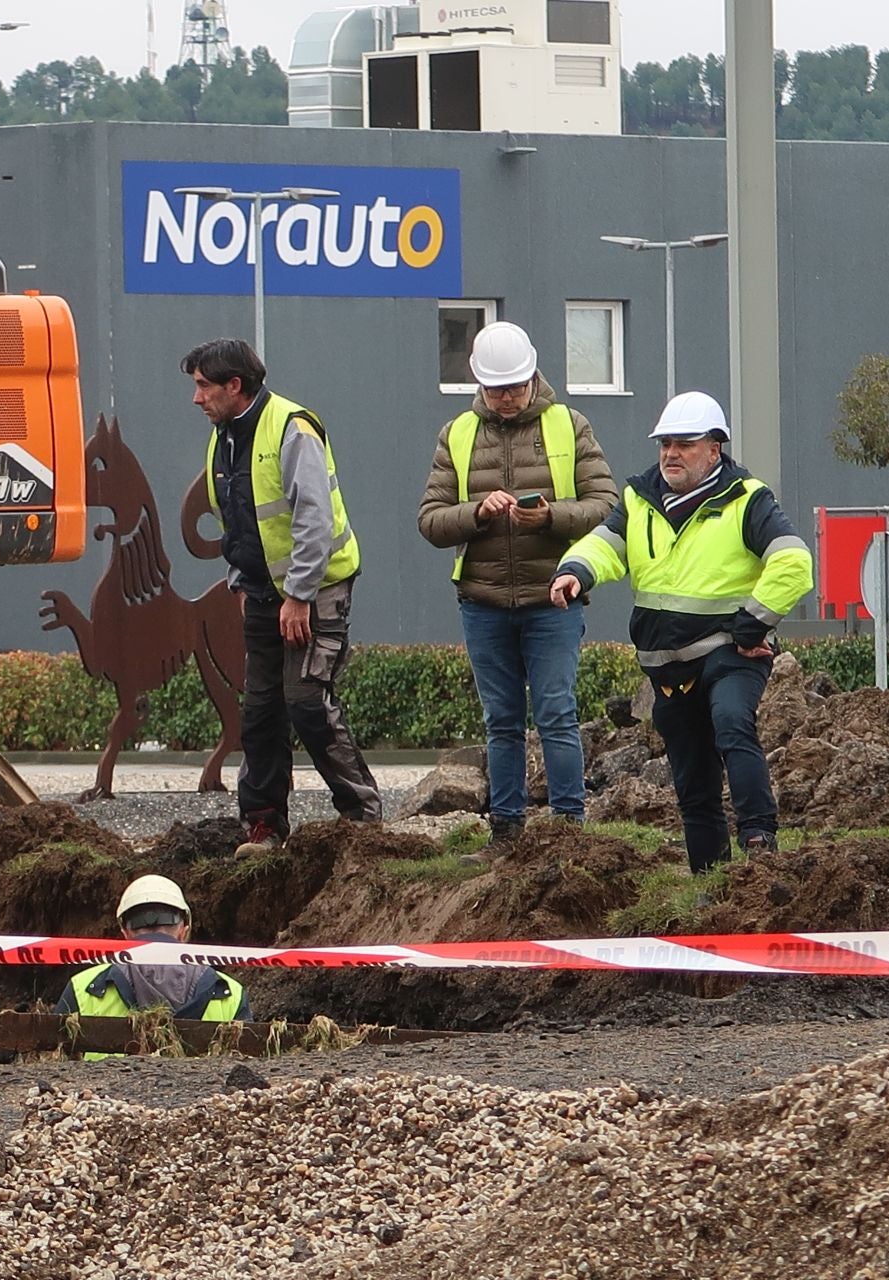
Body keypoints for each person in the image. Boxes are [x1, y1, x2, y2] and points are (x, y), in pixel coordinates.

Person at [549, 391, 812, 873]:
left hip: (730, 651)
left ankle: (760, 842)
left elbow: (793, 561)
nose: (671, 453)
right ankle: (709, 883)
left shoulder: (746, 499)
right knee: (693, 780)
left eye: (684, 444)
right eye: (665, 443)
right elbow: (604, 546)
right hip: (666, 663)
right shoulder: (639, 499)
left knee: (733, 724)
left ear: (714, 449)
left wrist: (752, 623)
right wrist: (575, 571)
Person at [418, 321, 619, 841]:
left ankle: (568, 830)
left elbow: (605, 507)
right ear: (479, 384)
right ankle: (505, 832)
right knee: (501, 721)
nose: (507, 398)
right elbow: (431, 521)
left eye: (515, 386)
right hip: (482, 602)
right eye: (496, 389)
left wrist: (550, 516)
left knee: (557, 712)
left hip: (553, 598)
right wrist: (478, 513)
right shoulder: (457, 434)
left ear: (533, 375)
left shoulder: (569, 425)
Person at [183, 338, 383, 856]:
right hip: (264, 592)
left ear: (235, 385)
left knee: (308, 702)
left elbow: (313, 520)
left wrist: (298, 596)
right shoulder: (222, 436)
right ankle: (264, 826)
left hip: (317, 589)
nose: (196, 398)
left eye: (204, 386)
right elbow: (239, 521)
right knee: (261, 712)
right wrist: (241, 581)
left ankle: (362, 817)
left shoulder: (292, 428)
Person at [54, 874, 249, 1059]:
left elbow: (55, 1061)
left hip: (100, 1094)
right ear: (184, 930)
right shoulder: (230, 993)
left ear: (125, 932)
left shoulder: (84, 988)